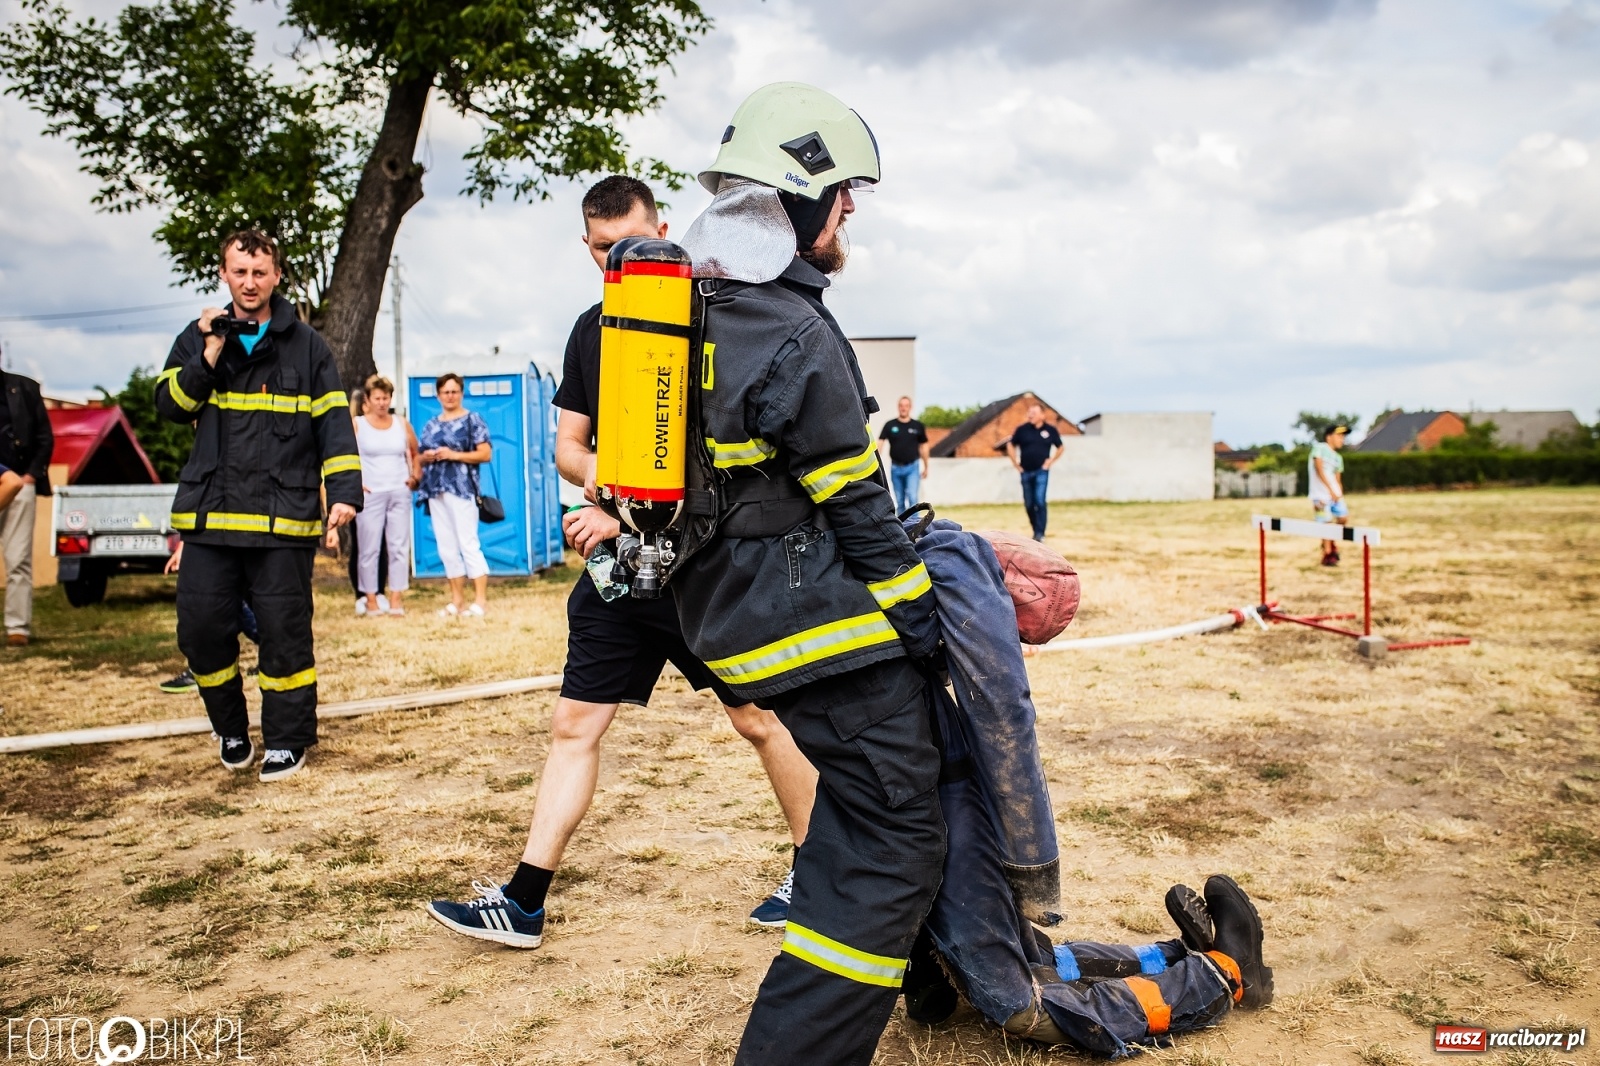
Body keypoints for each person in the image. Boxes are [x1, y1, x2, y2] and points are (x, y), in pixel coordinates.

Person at [425, 175, 817, 952]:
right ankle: (524, 901)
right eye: (604, 249)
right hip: (622, 569)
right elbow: (569, 447)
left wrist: (628, 499)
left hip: (707, 568)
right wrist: (604, 489)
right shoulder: (590, 329)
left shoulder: (716, 316)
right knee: (574, 723)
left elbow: (730, 456)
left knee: (758, 720)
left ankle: (820, 877)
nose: (619, 260)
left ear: (665, 229)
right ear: (587, 247)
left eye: (634, 243)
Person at [673, 83, 945, 1066]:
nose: (853, 213)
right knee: (891, 839)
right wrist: (926, 626)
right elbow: (859, 509)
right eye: (844, 194)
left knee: (871, 805)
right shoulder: (795, 330)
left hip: (724, 615)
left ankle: (948, 982)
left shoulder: (688, 307)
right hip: (816, 625)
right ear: (800, 202)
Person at [153, 229, 361, 782]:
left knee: (284, 631)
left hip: (281, 520)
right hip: (210, 518)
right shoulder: (198, 339)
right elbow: (170, 407)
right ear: (224, 275)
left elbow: (333, 425)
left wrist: (342, 495)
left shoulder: (308, 346)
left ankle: (288, 740)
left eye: (259, 272)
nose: (249, 282)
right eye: (239, 272)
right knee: (200, 630)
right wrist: (209, 352)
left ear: (276, 277)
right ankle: (231, 728)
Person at [417, 373, 491, 617]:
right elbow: (418, 455)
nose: (450, 396)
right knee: (446, 547)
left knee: (468, 542)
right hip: (435, 490)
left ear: (461, 393)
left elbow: (485, 454)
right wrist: (426, 457)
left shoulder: (473, 420)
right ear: (438, 395)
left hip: (462, 489)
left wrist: (453, 455)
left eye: (454, 391)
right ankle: (457, 601)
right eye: (445, 392)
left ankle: (480, 601)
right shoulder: (431, 424)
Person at [353, 375, 419, 616]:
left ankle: (396, 599)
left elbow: (415, 451)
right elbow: (347, 456)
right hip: (371, 492)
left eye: (386, 398)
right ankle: (370, 599)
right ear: (368, 400)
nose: (382, 402)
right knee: (369, 547)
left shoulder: (401, 423)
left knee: (399, 545)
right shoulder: (358, 424)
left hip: (398, 490)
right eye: (377, 398)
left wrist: (414, 477)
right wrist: (356, 482)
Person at [157, 540, 260, 693]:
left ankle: (271, 648)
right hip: (214, 544)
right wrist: (185, 545)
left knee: (226, 605)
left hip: (234, 544)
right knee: (221, 605)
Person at [0, 365, 53, 647]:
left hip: (19, 482)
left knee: (18, 559)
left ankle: (17, 627)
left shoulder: (24, 388)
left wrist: (31, 476)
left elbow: (45, 437)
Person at [1007, 403, 1063, 542]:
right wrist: (1015, 464)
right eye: (1029, 412)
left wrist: (1050, 462)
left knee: (1040, 501)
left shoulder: (1050, 430)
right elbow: (1010, 444)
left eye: (1034, 412)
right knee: (1029, 504)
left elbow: (1060, 447)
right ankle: (1035, 530)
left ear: (1042, 415)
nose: (1030, 415)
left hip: (1041, 472)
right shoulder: (1022, 430)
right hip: (1025, 471)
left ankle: (1040, 533)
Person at [877, 396, 929, 514]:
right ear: (898, 407)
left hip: (912, 467)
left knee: (912, 498)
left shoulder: (917, 426)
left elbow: (924, 447)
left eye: (906, 406)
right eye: (901, 406)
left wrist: (926, 466)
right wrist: (877, 463)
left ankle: (916, 528)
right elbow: (880, 442)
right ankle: (902, 529)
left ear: (910, 408)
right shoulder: (890, 425)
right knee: (899, 501)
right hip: (896, 468)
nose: (903, 408)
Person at [1310, 424, 1348, 566]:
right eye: (1339, 436)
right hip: (1319, 495)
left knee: (1343, 518)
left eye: (1343, 437)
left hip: (1334, 495)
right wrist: (1329, 489)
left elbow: (1338, 477)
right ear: (1329, 436)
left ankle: (1331, 541)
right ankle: (1327, 554)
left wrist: (1339, 491)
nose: (1342, 439)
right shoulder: (1319, 448)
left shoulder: (1338, 458)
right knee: (1325, 522)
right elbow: (1319, 469)